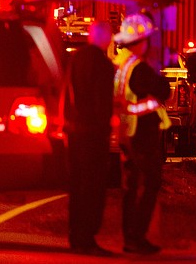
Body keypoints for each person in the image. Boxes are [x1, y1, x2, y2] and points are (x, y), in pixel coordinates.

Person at [112, 12, 171, 255]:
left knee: (132, 187)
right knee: (148, 185)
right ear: (140, 41)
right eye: (146, 39)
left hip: (128, 134)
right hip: (142, 136)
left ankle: (131, 238)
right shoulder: (139, 68)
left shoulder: (121, 65)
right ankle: (136, 238)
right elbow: (163, 90)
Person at [64, 20, 116, 257]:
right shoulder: (103, 65)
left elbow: (67, 94)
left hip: (74, 132)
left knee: (77, 186)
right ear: (105, 37)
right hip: (93, 134)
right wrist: (106, 128)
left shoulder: (75, 59)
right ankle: (87, 238)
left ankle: (76, 236)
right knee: (93, 187)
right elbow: (102, 103)